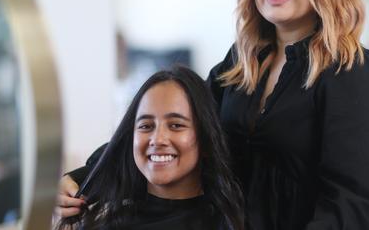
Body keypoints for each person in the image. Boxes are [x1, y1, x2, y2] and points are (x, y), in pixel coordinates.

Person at [59, 0, 369, 229]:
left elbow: (351, 205)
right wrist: (81, 177)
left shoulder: (353, 72)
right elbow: (174, 125)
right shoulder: (241, 64)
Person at [55, 66, 246, 230]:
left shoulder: (233, 221)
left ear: (205, 139)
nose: (157, 139)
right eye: (146, 126)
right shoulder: (102, 222)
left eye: (176, 125)